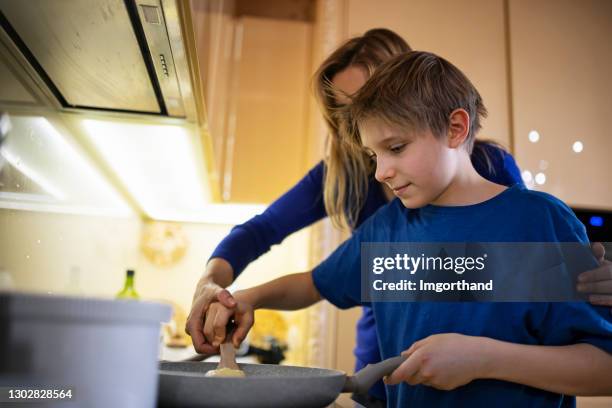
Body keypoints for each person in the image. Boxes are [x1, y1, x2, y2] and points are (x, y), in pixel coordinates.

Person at [186, 28, 612, 404]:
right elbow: (313, 281)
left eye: (395, 147)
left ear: (455, 129)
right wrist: (240, 297)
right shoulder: (386, 231)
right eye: (372, 152)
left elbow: (600, 363)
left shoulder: (537, 223)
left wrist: (482, 358)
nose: (380, 172)